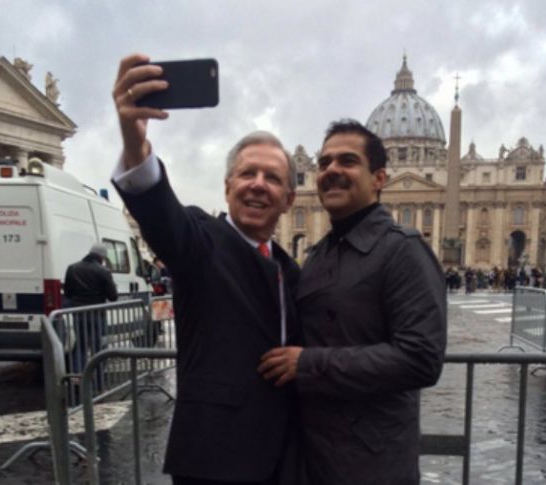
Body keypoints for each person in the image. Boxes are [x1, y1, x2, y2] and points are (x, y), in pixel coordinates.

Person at [110, 54, 302, 485]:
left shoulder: (290, 269)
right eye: (247, 173)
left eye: (272, 178)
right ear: (228, 186)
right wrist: (134, 141)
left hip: (282, 456)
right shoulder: (201, 241)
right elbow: (161, 214)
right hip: (214, 459)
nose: (258, 184)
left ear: (289, 199)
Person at [258, 119, 447, 485]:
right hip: (312, 456)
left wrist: (308, 364)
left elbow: (421, 359)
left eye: (347, 161)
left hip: (370, 463)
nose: (332, 170)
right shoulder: (318, 255)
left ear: (379, 178)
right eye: (324, 162)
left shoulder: (404, 251)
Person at [63, 242, 118, 389]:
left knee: (79, 347)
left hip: (78, 313)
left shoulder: (72, 268)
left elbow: (67, 292)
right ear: (102, 257)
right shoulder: (103, 271)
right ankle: (98, 382)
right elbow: (113, 296)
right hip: (97, 314)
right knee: (99, 348)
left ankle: (78, 380)